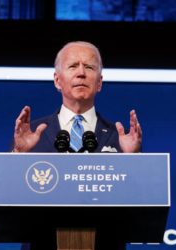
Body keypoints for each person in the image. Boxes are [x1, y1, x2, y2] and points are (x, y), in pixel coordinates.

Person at [13, 41, 142, 250]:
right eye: (73, 66)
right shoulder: (32, 133)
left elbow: (139, 209)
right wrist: (18, 154)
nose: (81, 73)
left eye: (89, 67)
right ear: (57, 80)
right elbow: (9, 200)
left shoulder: (121, 138)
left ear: (99, 83)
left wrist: (133, 161)